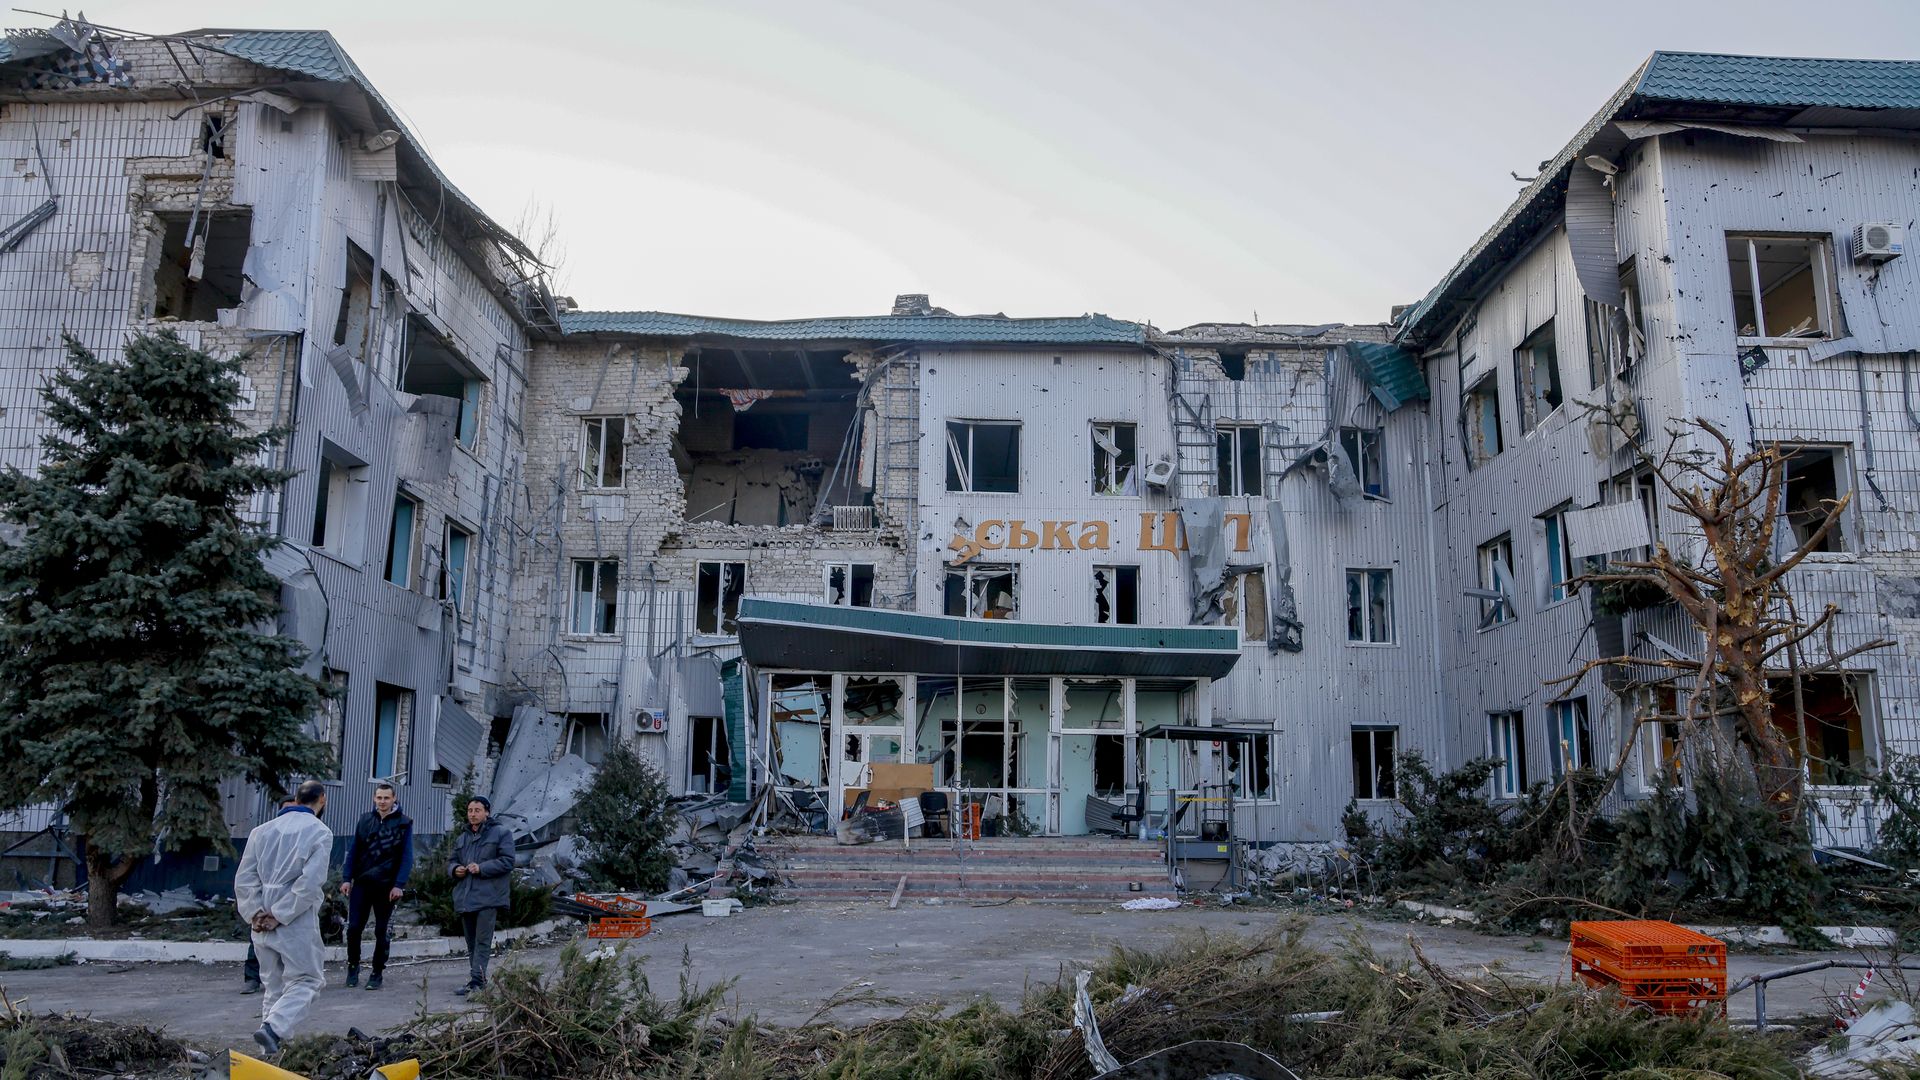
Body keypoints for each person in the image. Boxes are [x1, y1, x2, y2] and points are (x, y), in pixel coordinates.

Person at [233, 780, 331, 1055]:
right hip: (294, 920)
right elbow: (309, 883)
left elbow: (245, 878)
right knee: (307, 980)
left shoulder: (261, 831)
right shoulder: (320, 832)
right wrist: (279, 914)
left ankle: (269, 1057)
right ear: (321, 799)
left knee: (273, 987)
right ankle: (274, 1029)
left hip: (260, 921)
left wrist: (254, 913)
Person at [339, 782, 413, 990]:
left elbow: (406, 857)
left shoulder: (404, 823)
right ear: (374, 798)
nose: (382, 802)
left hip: (386, 886)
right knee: (354, 928)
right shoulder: (365, 820)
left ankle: (376, 972)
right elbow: (354, 850)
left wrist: (399, 884)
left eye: (386, 798)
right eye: (379, 798)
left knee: (382, 931)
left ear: (394, 799)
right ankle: (353, 967)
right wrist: (347, 878)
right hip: (362, 883)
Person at [448, 794, 515, 996]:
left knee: (482, 941)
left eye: (477, 810)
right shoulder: (463, 838)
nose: (473, 814)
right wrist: (454, 869)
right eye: (470, 810)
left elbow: (508, 861)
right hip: (466, 897)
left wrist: (482, 868)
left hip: (488, 897)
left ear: (487, 812)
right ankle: (476, 980)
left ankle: (478, 982)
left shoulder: (501, 833)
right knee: (471, 942)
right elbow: (451, 861)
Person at [241, 794, 300, 996]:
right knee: (259, 937)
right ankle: (252, 978)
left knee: (290, 945)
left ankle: (289, 981)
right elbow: (248, 872)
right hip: (264, 898)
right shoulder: (264, 835)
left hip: (290, 901)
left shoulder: (304, 837)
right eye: (287, 809)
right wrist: (254, 908)